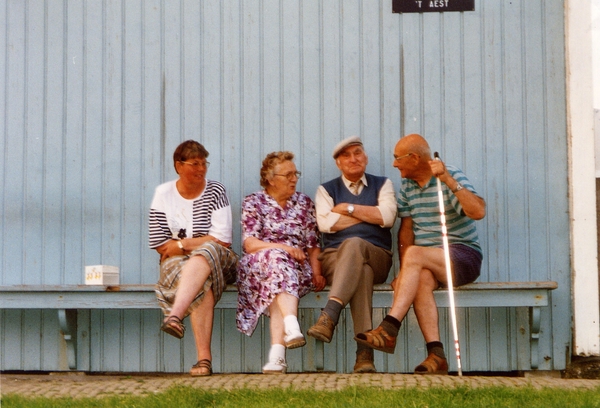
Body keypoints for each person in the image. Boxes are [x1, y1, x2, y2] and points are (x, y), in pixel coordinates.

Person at [355, 134, 486, 375]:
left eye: (397, 158)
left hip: (463, 256)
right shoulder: (407, 186)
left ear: (414, 158)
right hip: (429, 261)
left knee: (415, 255)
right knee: (421, 279)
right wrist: (406, 274)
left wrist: (446, 179)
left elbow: (478, 211)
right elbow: (406, 232)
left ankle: (388, 329)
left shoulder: (450, 175)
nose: (394, 164)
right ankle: (436, 355)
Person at [307, 136, 397, 373]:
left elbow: (387, 217)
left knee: (356, 245)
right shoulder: (326, 190)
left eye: (357, 153)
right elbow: (326, 223)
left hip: (378, 256)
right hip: (334, 260)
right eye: (346, 155)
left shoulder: (383, 184)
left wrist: (348, 209)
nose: (353, 159)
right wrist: (370, 215)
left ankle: (330, 315)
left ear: (365, 157)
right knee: (361, 269)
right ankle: (364, 354)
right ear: (338, 163)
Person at [149, 140, 238, 377]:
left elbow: (222, 239)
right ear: (178, 166)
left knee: (206, 252)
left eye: (204, 163)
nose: (201, 169)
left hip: (221, 260)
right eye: (194, 164)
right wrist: (198, 242)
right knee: (201, 280)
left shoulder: (216, 190)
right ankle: (204, 361)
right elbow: (160, 244)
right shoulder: (163, 194)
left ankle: (175, 315)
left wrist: (182, 244)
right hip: (178, 266)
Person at [236, 151, 324, 374]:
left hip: (294, 271)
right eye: (288, 175)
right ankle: (291, 325)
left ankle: (277, 356)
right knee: (276, 260)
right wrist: (283, 248)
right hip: (258, 268)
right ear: (270, 178)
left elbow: (313, 244)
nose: (294, 179)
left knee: (278, 281)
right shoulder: (253, 202)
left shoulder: (303, 203)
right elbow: (250, 243)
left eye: (296, 174)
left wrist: (317, 272)